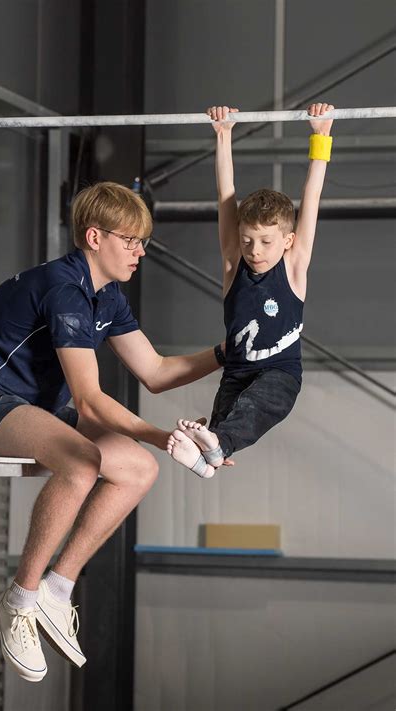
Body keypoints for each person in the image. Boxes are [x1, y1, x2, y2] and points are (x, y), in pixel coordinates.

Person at [0, 181, 225, 682]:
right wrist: (164, 435)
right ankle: (19, 598)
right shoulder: (64, 289)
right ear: (94, 237)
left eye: (143, 241)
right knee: (83, 462)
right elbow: (90, 402)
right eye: (130, 240)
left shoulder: (106, 296)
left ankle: (57, 588)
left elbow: (155, 372)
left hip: (34, 409)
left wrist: (226, 353)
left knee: (137, 468)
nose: (139, 251)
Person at [167, 103, 335, 478]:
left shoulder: (294, 265)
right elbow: (225, 195)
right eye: (246, 240)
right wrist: (223, 134)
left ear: (289, 240)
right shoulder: (233, 263)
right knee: (223, 423)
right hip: (237, 372)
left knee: (250, 410)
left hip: (280, 374)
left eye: (265, 241)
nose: (254, 250)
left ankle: (215, 445)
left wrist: (321, 136)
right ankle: (209, 459)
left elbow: (312, 198)